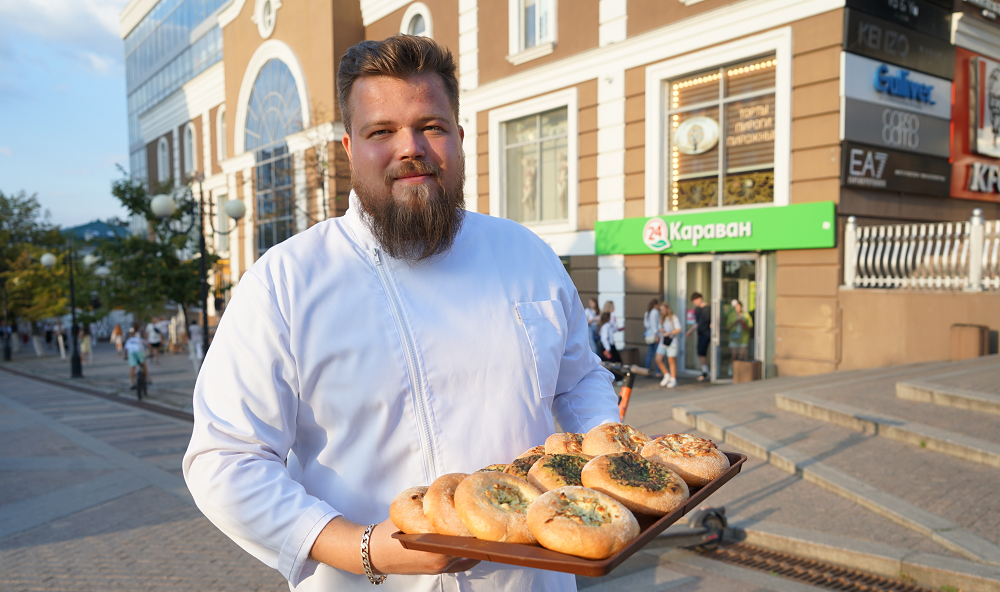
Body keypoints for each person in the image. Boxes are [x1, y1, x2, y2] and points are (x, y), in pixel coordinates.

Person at [183, 36, 618, 592]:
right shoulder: (286, 282)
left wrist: (612, 464)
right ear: (348, 147)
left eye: (430, 126)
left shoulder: (526, 255)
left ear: (459, 138)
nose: (410, 148)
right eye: (381, 132)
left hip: (528, 581)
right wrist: (360, 546)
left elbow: (580, 381)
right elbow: (225, 459)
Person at [685, 292, 711, 381]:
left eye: (695, 301)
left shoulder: (709, 308)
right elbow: (697, 323)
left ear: (700, 298)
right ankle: (705, 371)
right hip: (700, 333)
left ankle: (706, 372)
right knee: (700, 352)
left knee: (702, 351)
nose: (695, 303)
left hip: (707, 333)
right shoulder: (697, 310)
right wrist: (690, 331)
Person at [655, 303, 681, 388]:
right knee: (658, 359)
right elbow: (659, 329)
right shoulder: (661, 318)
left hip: (672, 342)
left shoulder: (673, 317)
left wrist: (669, 333)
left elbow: (679, 329)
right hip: (663, 342)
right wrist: (661, 331)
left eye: (663, 309)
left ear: (667, 309)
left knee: (671, 361)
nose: (662, 311)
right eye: (660, 310)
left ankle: (673, 379)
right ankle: (667, 375)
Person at [642, 298, 661, 376]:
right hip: (654, 335)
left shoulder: (647, 312)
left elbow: (646, 324)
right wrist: (656, 335)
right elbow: (654, 325)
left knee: (650, 354)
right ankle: (658, 372)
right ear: (655, 305)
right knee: (657, 354)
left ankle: (646, 371)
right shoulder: (655, 312)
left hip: (648, 335)